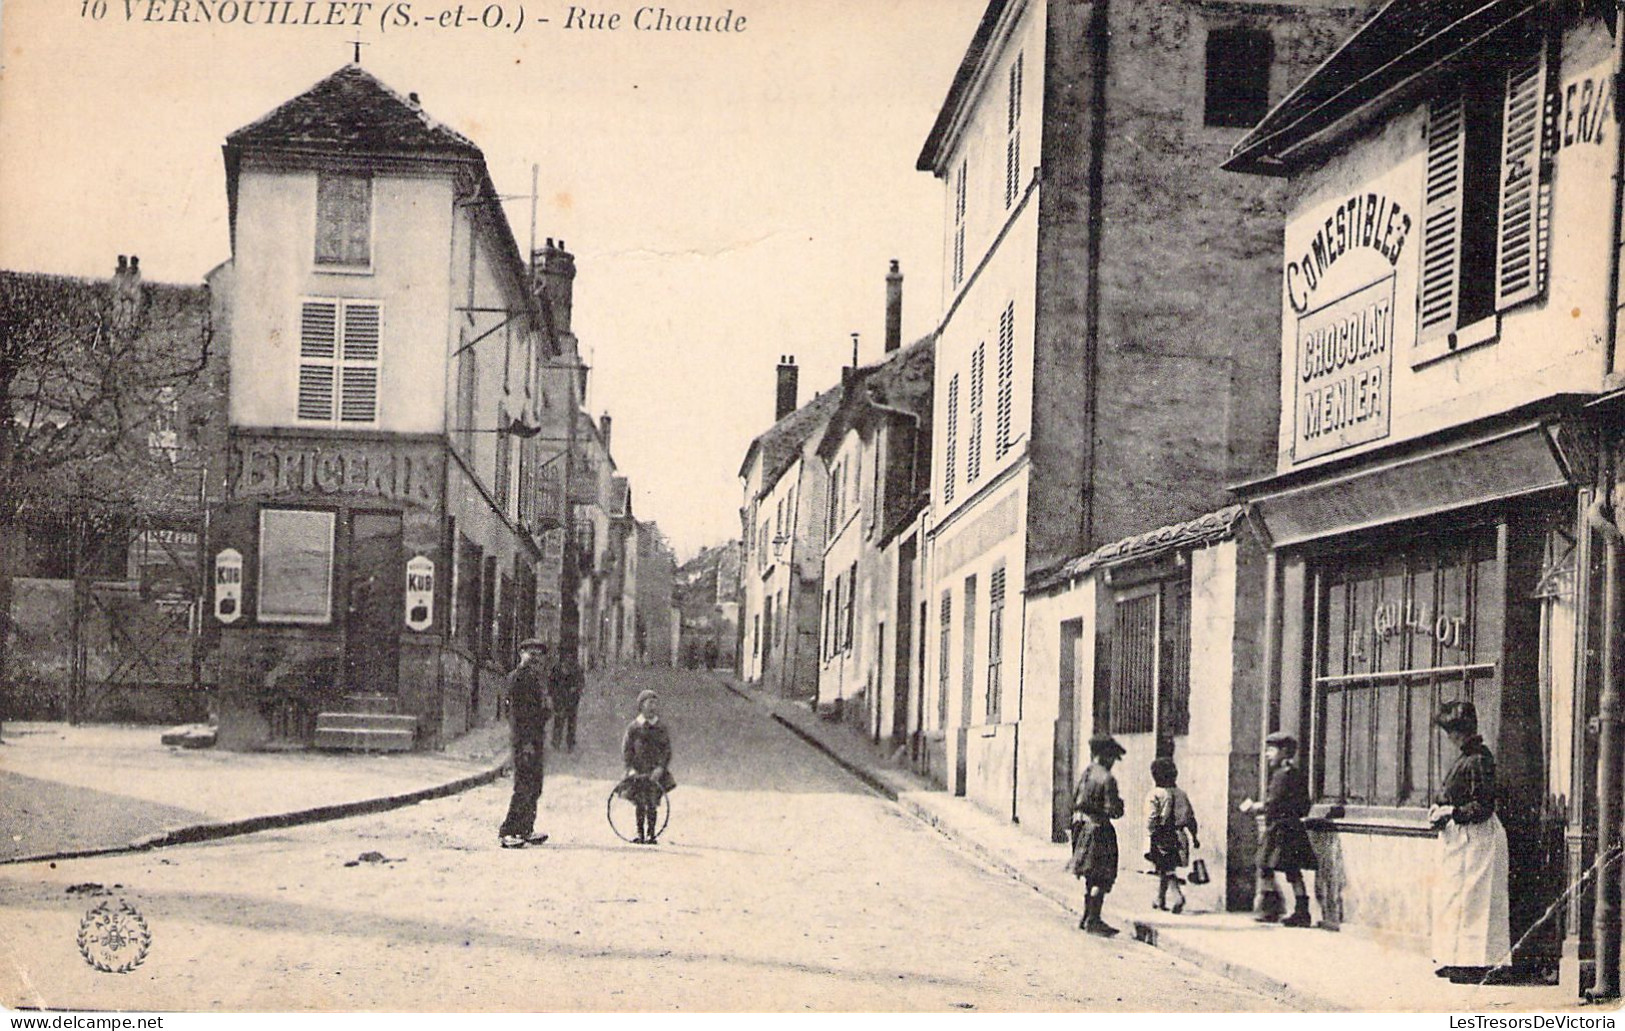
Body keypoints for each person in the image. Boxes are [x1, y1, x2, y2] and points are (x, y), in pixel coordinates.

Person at [1429, 700, 1511, 984]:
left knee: (1475, 900)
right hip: (1462, 837)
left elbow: (1483, 806)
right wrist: (1440, 809)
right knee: (1454, 898)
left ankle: (1474, 964)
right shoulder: (1467, 757)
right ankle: (1454, 957)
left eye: (1450, 731)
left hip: (1478, 838)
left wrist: (1452, 811)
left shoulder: (1478, 759)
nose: (1448, 737)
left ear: (1459, 731)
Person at [1240, 731, 1316, 927]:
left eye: (1271, 750)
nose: (1267, 754)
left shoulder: (1281, 776)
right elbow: (1304, 804)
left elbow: (1272, 804)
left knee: (1264, 864)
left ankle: (1268, 908)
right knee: (1293, 870)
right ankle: (1302, 911)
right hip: (1293, 827)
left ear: (1283, 751)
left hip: (1279, 829)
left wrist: (1256, 807)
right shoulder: (1296, 773)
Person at [1067, 732, 1126, 936]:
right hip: (1099, 830)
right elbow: (1112, 810)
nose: (1112, 762)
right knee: (1102, 875)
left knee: (1089, 874)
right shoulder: (1107, 779)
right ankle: (1094, 919)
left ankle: (1086, 916)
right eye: (1111, 757)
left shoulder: (1087, 773)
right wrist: (1120, 806)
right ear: (1104, 755)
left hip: (1080, 827)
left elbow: (1075, 799)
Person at [498, 639, 554, 849]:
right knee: (523, 785)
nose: (534, 657)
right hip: (524, 739)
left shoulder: (536, 679)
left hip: (535, 738)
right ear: (521, 653)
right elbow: (517, 715)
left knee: (534, 786)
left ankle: (526, 829)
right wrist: (526, 742)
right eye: (530, 653)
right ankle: (508, 831)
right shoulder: (517, 678)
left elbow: (540, 711)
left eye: (538, 654)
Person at [1145, 756, 1201, 914]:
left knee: (1166, 868)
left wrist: (1151, 833)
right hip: (1180, 835)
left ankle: (1177, 896)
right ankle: (1160, 898)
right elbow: (1190, 818)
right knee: (1165, 867)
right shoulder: (1182, 794)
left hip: (1164, 836)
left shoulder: (1156, 794)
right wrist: (1195, 837)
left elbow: (1152, 817)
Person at [621, 689, 676, 845]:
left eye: (655, 703)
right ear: (641, 706)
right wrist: (630, 769)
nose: (653, 707)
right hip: (638, 772)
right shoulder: (633, 727)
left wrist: (660, 768)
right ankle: (640, 833)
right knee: (639, 802)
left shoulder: (660, 727)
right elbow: (626, 750)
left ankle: (652, 834)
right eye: (649, 703)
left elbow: (666, 750)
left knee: (652, 802)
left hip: (654, 772)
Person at [551, 652, 584, 752]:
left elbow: (581, 682)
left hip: (572, 700)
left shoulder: (576, 669)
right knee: (559, 720)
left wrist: (576, 688)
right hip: (560, 699)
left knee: (571, 722)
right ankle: (556, 741)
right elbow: (551, 682)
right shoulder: (557, 669)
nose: (568, 659)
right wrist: (553, 694)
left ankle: (570, 743)